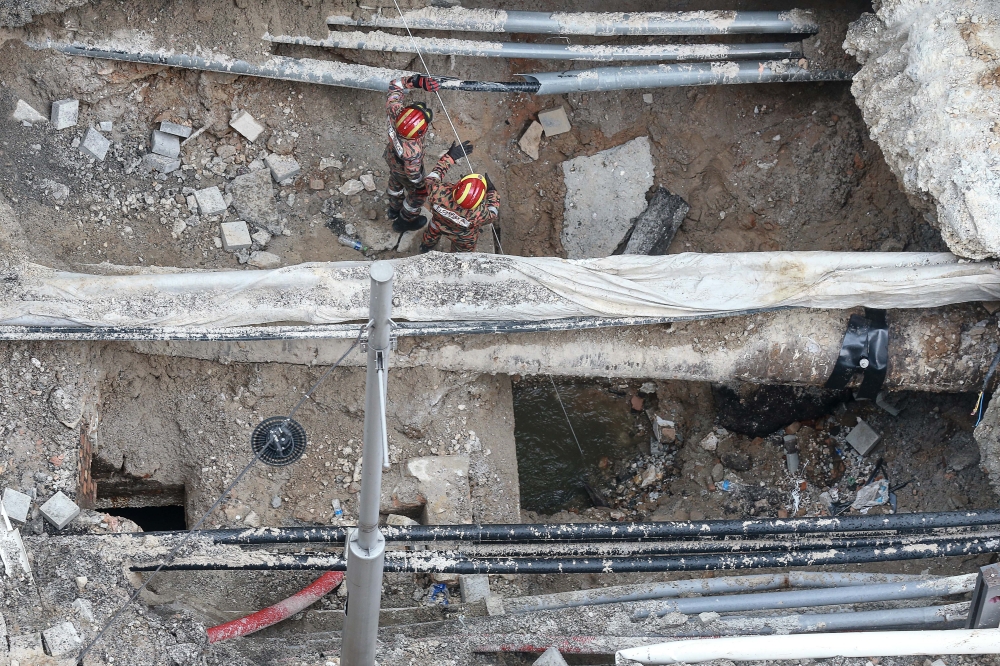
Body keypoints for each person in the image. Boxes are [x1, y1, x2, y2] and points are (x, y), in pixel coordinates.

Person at [419, 141, 499, 253]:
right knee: (463, 252)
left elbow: (432, 178)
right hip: (463, 238)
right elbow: (493, 214)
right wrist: (492, 193)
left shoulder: (439, 192)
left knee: (431, 233)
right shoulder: (479, 214)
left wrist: (450, 157)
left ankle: (425, 247)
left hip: (437, 223)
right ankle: (456, 261)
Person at [384, 74, 440, 233]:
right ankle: (404, 221)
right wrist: (421, 187)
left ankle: (393, 209)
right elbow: (414, 175)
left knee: (395, 181)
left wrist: (416, 81)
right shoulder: (413, 151)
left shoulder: (394, 112)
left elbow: (395, 85)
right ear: (421, 132)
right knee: (418, 197)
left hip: (391, 158)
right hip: (405, 169)